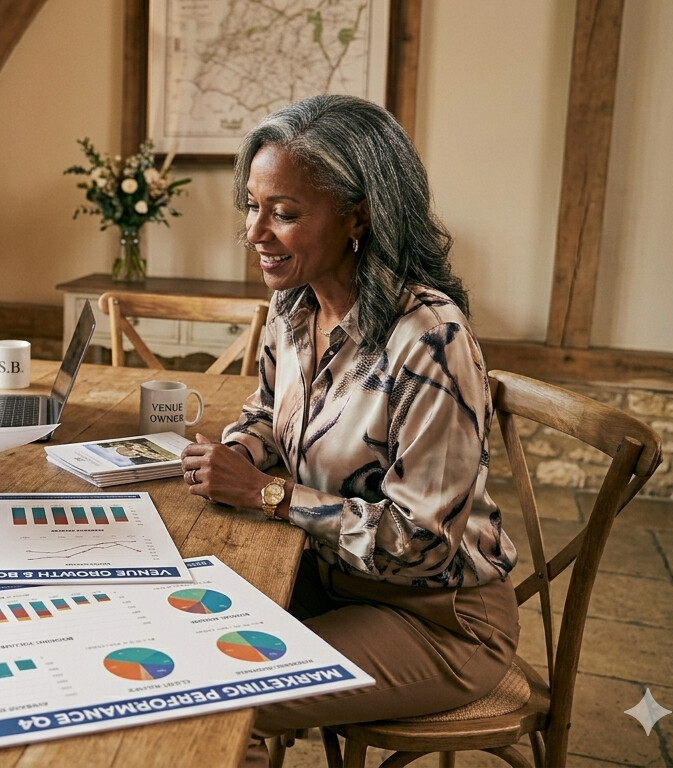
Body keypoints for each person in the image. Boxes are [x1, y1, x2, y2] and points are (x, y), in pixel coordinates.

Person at [177, 94, 519, 762]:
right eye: (252, 205)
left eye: (285, 213)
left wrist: (267, 495)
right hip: (324, 580)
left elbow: (422, 543)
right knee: (171, 629)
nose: (255, 233)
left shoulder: (430, 339)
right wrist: (232, 454)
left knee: (218, 688)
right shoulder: (294, 304)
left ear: (359, 216)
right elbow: (267, 414)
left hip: (437, 621)